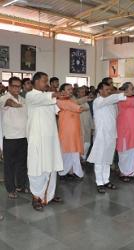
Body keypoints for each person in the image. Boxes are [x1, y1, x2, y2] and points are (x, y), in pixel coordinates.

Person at [26, 72, 65, 211]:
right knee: (37, 167)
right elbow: (43, 98)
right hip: (37, 138)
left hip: (51, 138)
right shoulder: (31, 95)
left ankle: (49, 195)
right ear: (36, 82)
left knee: (51, 166)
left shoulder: (47, 97)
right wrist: (55, 94)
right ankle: (36, 197)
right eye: (44, 81)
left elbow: (57, 109)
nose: (47, 83)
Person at [87, 81, 127, 194]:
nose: (108, 91)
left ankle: (106, 180)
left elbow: (115, 115)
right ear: (100, 90)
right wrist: (121, 94)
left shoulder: (112, 103)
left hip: (111, 134)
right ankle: (99, 182)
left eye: (109, 90)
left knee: (108, 158)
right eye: (106, 89)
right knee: (99, 159)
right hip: (101, 135)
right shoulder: (98, 101)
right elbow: (110, 99)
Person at [0, 77, 28, 199]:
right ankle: (11, 189)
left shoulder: (23, 99)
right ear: (9, 87)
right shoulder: (3, 98)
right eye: (14, 86)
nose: (17, 88)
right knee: (9, 165)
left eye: (19, 86)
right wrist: (14, 104)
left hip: (23, 137)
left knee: (22, 164)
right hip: (10, 138)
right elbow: (8, 104)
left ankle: (21, 186)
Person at [57, 84, 85, 180]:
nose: (70, 91)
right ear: (62, 91)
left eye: (71, 89)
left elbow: (75, 104)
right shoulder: (60, 101)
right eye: (68, 89)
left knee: (73, 151)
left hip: (74, 131)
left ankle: (69, 171)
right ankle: (65, 173)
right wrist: (80, 107)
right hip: (66, 131)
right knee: (67, 152)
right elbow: (75, 107)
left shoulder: (70, 100)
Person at [76, 87, 94, 162]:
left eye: (84, 92)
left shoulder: (86, 102)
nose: (83, 93)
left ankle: (83, 157)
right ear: (77, 93)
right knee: (80, 143)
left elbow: (89, 115)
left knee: (87, 143)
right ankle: (79, 158)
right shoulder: (75, 101)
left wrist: (92, 126)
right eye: (81, 92)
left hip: (87, 126)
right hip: (79, 126)